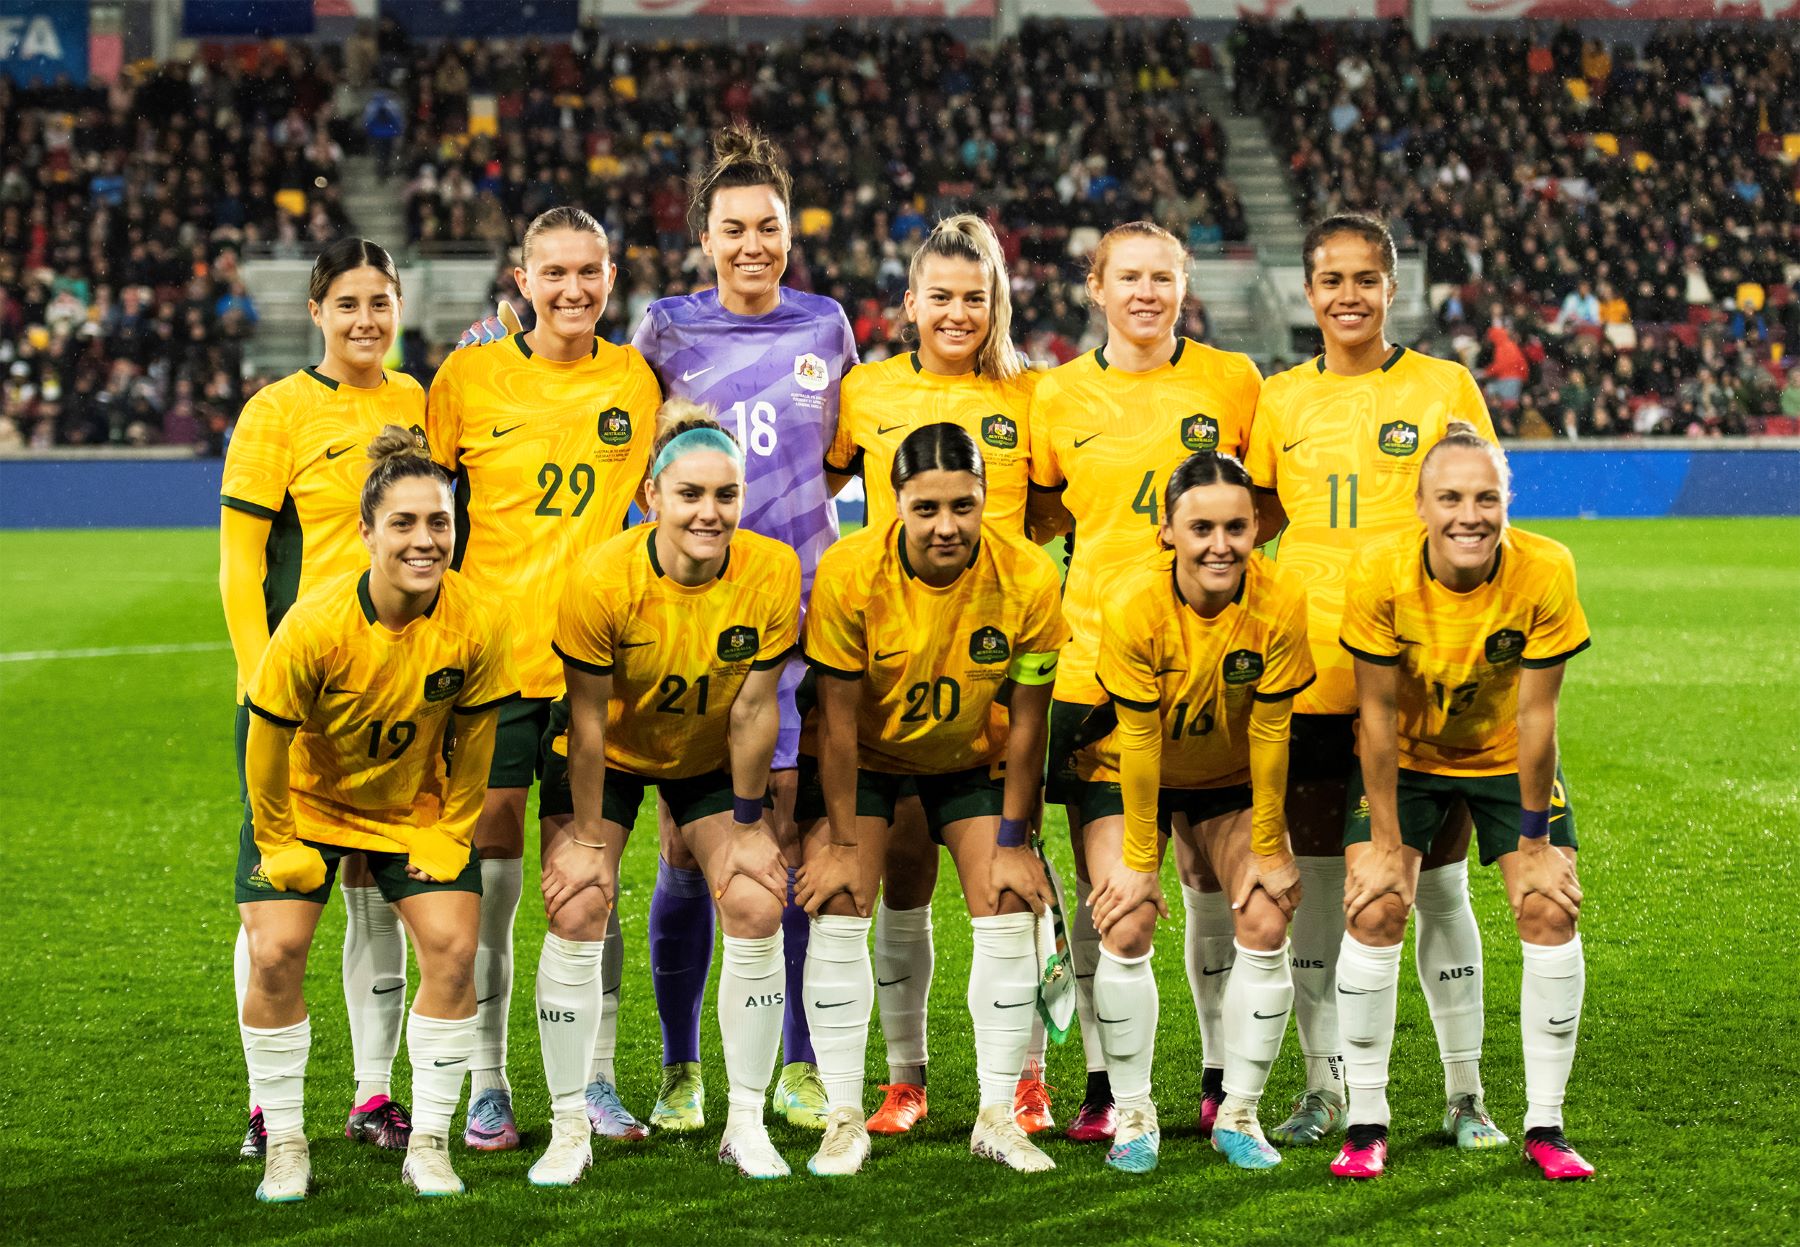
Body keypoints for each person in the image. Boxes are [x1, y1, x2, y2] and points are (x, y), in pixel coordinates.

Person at [1245, 213, 1504, 1153]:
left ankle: (1465, 1094)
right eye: (1331, 280)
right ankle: (1327, 1089)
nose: (1347, 295)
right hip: (1309, 675)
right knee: (1319, 885)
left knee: (1431, 887)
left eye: (1365, 278)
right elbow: (1255, 517)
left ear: (1393, 286)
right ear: (1307, 293)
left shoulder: (1445, 387)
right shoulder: (1278, 401)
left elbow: (1478, 516)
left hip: (1422, 679)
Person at [630, 125, 858, 1133]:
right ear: (705, 235)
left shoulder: (827, 326)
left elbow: (837, 458)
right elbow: (639, 457)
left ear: (789, 232)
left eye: (769, 226)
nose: (753, 243)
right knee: (688, 847)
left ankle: (802, 1061)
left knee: (795, 840)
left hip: (801, 618)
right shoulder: (664, 331)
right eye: (735, 228)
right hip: (693, 622)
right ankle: (681, 1064)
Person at [426, 206, 662, 1153]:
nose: (573, 289)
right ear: (520, 280)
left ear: (612, 277)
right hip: (489, 674)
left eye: (590, 271)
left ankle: (594, 1076)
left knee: (587, 881)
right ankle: (489, 1083)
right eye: (553, 272)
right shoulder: (468, 377)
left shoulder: (635, 381)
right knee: (492, 883)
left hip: (594, 676)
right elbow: (418, 511)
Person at [826, 213, 1065, 1137]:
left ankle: (1030, 1076)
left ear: (997, 301)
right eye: (942, 295)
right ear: (910, 302)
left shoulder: (1033, 396)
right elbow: (810, 477)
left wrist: (998, 595)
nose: (959, 311)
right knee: (904, 877)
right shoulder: (863, 392)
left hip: (994, 663)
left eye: (977, 295)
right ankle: (905, 1078)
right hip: (890, 662)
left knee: (1017, 865)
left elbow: (1047, 511)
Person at [236, 429, 519, 1202]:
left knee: (456, 949)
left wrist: (451, 825)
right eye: (404, 522)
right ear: (366, 532)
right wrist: (275, 836)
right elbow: (263, 743)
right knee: (275, 952)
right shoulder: (315, 621)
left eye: (439, 522)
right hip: (307, 803)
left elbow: (476, 736)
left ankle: (428, 1140)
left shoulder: (480, 617)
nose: (425, 539)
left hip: (409, 807)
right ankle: (285, 1142)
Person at [1029, 220, 1263, 1141]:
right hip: (1092, 673)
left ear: (1184, 283)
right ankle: (1101, 1082)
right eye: (1128, 277)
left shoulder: (1231, 381)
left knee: (1209, 875)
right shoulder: (1056, 396)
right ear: (1096, 287)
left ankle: (1214, 1077)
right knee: (1110, 890)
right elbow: (1042, 509)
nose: (1147, 292)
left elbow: (1257, 508)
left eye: (1163, 276)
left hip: (1209, 671)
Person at [795, 423, 1068, 1176]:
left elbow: (1031, 721)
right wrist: (845, 841)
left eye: (963, 505)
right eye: (926, 508)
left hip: (972, 757)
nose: (946, 525)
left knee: (1010, 901)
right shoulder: (850, 573)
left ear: (985, 500)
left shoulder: (1029, 577)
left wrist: (1015, 838)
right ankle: (845, 1115)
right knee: (844, 894)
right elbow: (841, 728)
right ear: (895, 503)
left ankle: (995, 1114)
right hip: (872, 763)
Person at [543, 403, 801, 1181]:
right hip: (611, 757)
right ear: (652, 493)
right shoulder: (598, 576)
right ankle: (567, 1130)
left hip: (704, 757)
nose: (708, 512)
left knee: (757, 897)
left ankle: (746, 1124)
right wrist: (587, 835)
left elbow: (756, 708)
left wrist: (751, 823)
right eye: (690, 493)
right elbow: (585, 721)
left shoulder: (771, 569)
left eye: (725, 495)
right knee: (580, 900)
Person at [1331, 426, 1594, 1182]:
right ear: (1420, 505)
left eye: (1485, 498)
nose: (1468, 515)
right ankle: (1365, 1121)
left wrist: (1539, 842)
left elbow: (1538, 717)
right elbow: (1375, 716)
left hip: (1506, 756)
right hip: (1406, 756)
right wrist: (1385, 841)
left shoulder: (1545, 568)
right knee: (1376, 904)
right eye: (1449, 498)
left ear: (1507, 502)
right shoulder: (1379, 571)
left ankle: (1545, 1124)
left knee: (1550, 906)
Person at [220, 238, 427, 1160]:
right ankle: (270, 1107)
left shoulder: (415, 400)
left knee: (375, 893)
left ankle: (374, 1093)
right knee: (277, 904)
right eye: (347, 304)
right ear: (316, 312)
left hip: (396, 691)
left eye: (379, 301)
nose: (366, 320)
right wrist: (261, 677)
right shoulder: (275, 413)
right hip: (298, 698)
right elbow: (239, 563)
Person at [1077, 451, 1313, 1174]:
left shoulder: (1279, 599)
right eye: (1202, 526)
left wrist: (1269, 846)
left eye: (1237, 527)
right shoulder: (1133, 603)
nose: (1220, 544)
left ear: (1256, 529)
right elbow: (1140, 741)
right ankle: (1135, 1112)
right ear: (1166, 532)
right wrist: (1141, 865)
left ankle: (1239, 1110)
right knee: (1127, 916)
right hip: (1124, 770)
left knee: (1267, 913)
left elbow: (1273, 731)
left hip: (1228, 774)